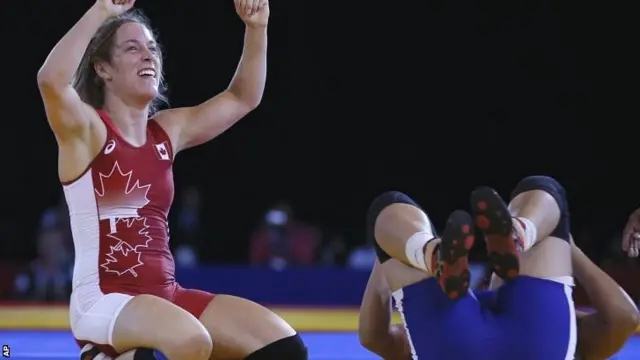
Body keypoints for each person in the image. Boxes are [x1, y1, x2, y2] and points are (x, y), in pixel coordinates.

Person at [37, 0, 307, 359]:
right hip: (105, 299)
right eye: (133, 48)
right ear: (102, 68)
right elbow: (51, 81)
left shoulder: (167, 131)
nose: (148, 55)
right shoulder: (87, 131)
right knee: (189, 341)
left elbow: (243, 97)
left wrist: (256, 29)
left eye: (152, 48)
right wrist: (102, 9)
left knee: (284, 349)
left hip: (166, 296)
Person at [358, 176, 639, 360]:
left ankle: (431, 254)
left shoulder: (423, 328)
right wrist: (570, 249)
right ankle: (520, 234)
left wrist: (389, 255)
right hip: (537, 343)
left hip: (454, 345)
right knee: (542, 190)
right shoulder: (576, 331)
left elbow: (374, 338)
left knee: (390, 208)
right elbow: (625, 317)